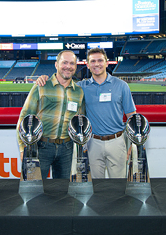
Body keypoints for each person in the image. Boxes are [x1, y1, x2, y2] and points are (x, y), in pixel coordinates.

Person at [37, 47, 136, 179]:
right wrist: (44, 78)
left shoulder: (122, 86)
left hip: (117, 141)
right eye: (93, 61)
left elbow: (132, 117)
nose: (97, 64)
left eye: (100, 60)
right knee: (94, 185)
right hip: (92, 142)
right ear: (88, 65)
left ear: (107, 63)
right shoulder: (81, 87)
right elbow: (63, 82)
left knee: (119, 185)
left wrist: (133, 145)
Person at [16, 50, 85, 179]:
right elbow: (24, 117)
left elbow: (79, 122)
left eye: (72, 63)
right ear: (56, 64)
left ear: (76, 66)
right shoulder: (41, 86)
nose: (68, 67)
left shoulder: (79, 92)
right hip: (41, 146)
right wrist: (22, 148)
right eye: (64, 62)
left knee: (62, 191)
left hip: (67, 148)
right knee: (33, 186)